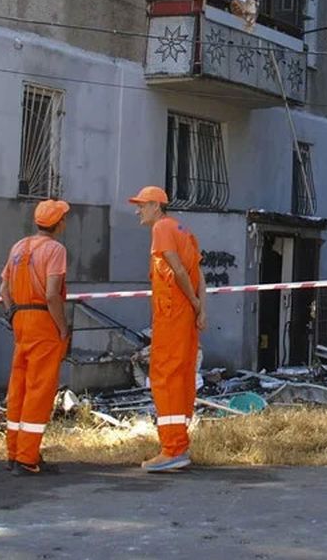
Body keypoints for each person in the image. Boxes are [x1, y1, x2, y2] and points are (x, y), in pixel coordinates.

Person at [129, 186, 206, 473]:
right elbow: (200, 275)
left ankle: (172, 449)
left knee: (165, 375)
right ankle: (179, 445)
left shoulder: (161, 228)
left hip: (172, 313)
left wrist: (195, 302)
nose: (138, 210)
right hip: (183, 314)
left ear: (155, 206)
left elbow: (179, 271)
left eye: (141, 205)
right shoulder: (183, 229)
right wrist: (200, 309)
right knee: (182, 374)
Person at [0, 198, 70, 476]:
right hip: (43, 321)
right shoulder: (55, 250)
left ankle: (14, 453)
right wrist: (62, 326)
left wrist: (13, 314)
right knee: (39, 389)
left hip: (21, 320)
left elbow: (3, 290)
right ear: (58, 224)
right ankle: (28, 459)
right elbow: (52, 294)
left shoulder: (19, 246)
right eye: (64, 218)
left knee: (18, 388)